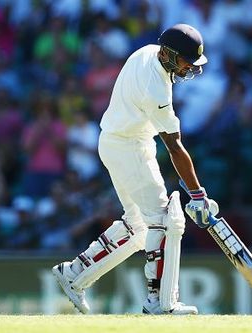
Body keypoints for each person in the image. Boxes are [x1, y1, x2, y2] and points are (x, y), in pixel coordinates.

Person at [51, 24, 217, 315]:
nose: (189, 67)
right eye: (185, 61)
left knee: (139, 227)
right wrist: (198, 194)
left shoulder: (148, 52)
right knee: (165, 221)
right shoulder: (156, 89)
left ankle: (74, 273)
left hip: (119, 141)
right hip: (130, 148)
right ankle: (160, 302)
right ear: (168, 53)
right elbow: (175, 148)